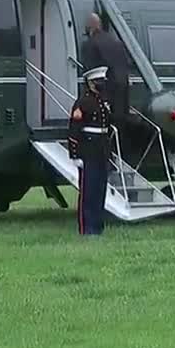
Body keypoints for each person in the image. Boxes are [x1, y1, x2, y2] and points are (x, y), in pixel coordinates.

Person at [67, 66, 114, 236]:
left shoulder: (103, 102)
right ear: (91, 83)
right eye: (98, 81)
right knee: (88, 190)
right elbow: (74, 130)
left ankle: (98, 225)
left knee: (100, 189)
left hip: (101, 148)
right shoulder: (82, 103)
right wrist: (75, 154)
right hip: (88, 149)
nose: (102, 84)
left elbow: (107, 127)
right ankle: (86, 228)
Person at [81, 12, 131, 125]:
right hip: (122, 93)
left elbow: (90, 72)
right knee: (119, 127)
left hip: (103, 95)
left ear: (90, 27)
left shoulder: (90, 44)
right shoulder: (117, 42)